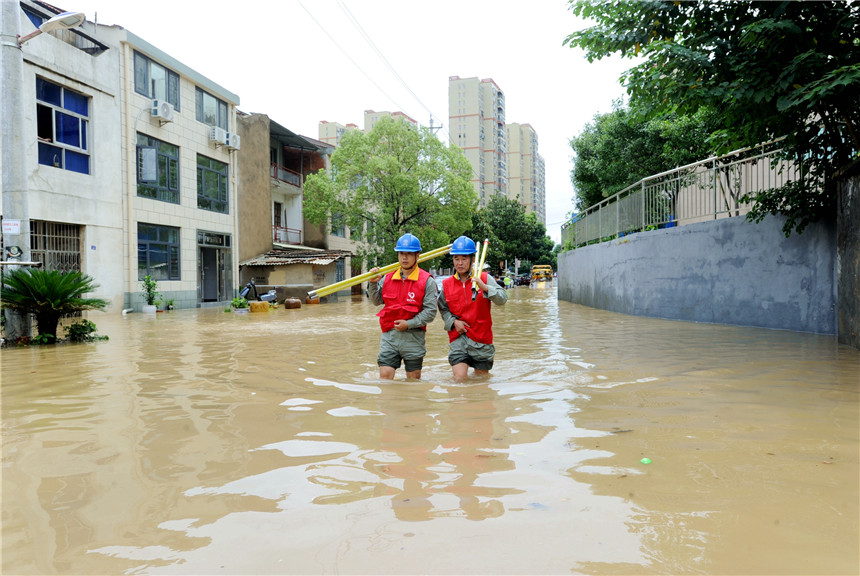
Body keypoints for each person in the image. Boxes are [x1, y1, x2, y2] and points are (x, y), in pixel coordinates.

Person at [367, 233, 438, 380]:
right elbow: (375, 301)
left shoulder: (427, 281)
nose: (404, 258)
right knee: (385, 378)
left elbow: (430, 312)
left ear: (417, 255)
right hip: (389, 337)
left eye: (409, 254)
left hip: (414, 338)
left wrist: (409, 324)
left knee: (413, 380)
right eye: (401, 254)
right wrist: (373, 283)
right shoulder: (387, 278)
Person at [437, 236, 508, 381]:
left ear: (472, 259)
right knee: (459, 378)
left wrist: (485, 288)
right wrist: (453, 322)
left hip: (482, 339)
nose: (460, 263)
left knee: (481, 382)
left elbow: (502, 299)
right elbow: (443, 308)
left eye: (464, 258)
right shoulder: (447, 284)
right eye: (456, 259)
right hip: (458, 338)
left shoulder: (484, 278)